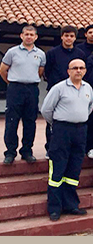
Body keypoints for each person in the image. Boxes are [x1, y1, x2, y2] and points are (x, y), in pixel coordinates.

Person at [41, 59, 93, 221]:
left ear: (85, 71)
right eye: (75, 68)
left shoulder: (88, 88)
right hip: (61, 131)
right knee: (58, 169)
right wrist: (59, 125)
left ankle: (71, 205)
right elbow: (46, 110)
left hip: (80, 131)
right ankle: (55, 208)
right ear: (68, 71)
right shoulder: (59, 88)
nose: (78, 70)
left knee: (74, 169)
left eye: (81, 68)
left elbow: (89, 107)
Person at [1, 25, 46, 164]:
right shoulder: (12, 52)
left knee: (30, 121)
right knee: (12, 121)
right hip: (15, 89)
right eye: (26, 34)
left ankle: (27, 151)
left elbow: (40, 71)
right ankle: (10, 152)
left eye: (32, 35)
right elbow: (3, 70)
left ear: (36, 37)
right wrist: (12, 82)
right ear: (21, 36)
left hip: (32, 89)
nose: (29, 37)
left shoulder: (41, 54)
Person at [44, 25, 86, 157]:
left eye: (72, 36)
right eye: (66, 35)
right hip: (57, 90)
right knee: (53, 122)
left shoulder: (80, 54)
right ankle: (49, 148)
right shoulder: (52, 53)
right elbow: (47, 72)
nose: (69, 38)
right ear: (62, 36)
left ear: (75, 38)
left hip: (76, 91)